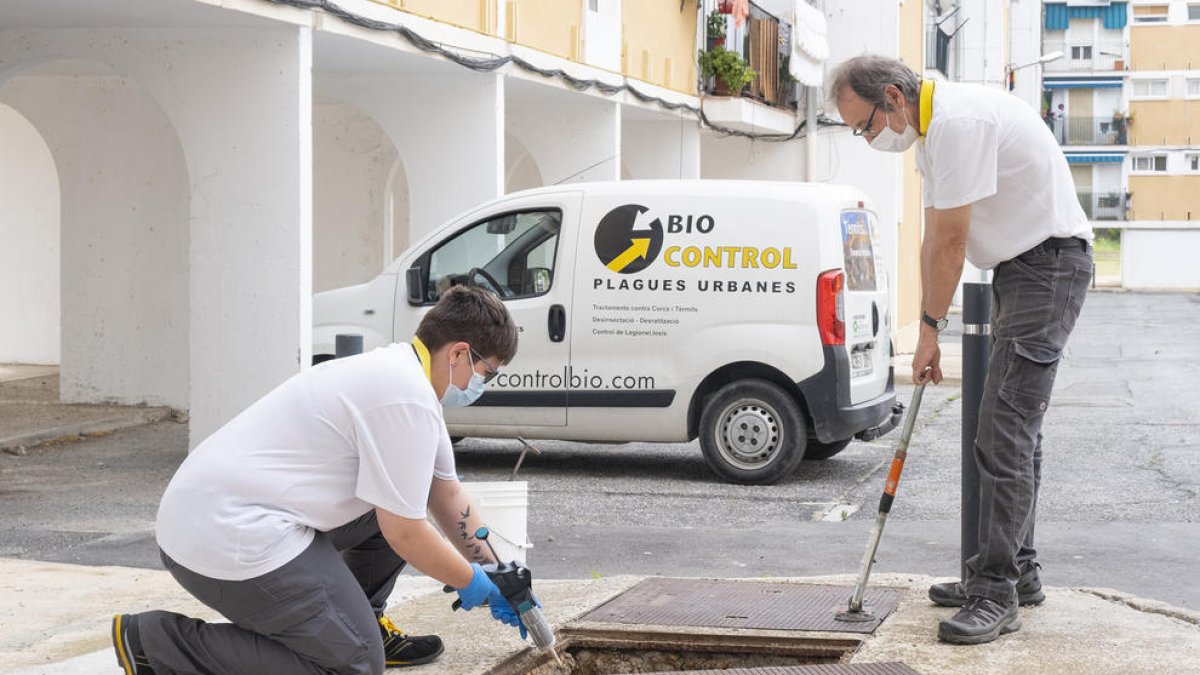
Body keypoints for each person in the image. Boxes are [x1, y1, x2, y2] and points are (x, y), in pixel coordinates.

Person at [112, 285, 523, 674]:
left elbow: (444, 492)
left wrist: (500, 571)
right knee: (355, 664)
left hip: (225, 513)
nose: (482, 385)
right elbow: (406, 533)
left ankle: (353, 621)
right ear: (459, 354)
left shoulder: (404, 379)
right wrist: (471, 582)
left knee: (394, 506)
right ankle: (157, 644)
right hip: (226, 534)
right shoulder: (405, 397)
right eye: (487, 372)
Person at [830, 55, 1093, 645]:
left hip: (1046, 267)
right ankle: (1015, 573)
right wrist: (927, 327)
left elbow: (952, 241)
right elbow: (932, 238)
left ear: (894, 97)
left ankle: (995, 591)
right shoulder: (932, 132)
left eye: (864, 125)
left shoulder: (959, 123)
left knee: (1004, 431)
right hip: (1025, 271)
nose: (866, 137)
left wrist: (928, 331)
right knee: (1016, 429)